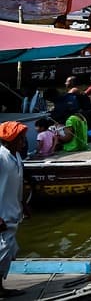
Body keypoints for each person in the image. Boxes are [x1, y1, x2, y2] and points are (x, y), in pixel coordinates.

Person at [0, 122, 25, 294]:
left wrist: (23, 204)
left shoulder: (15, 155)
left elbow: (17, 182)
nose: (23, 143)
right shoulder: (0, 156)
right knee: (2, 250)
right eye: (20, 139)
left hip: (13, 209)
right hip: (2, 213)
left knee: (8, 251)